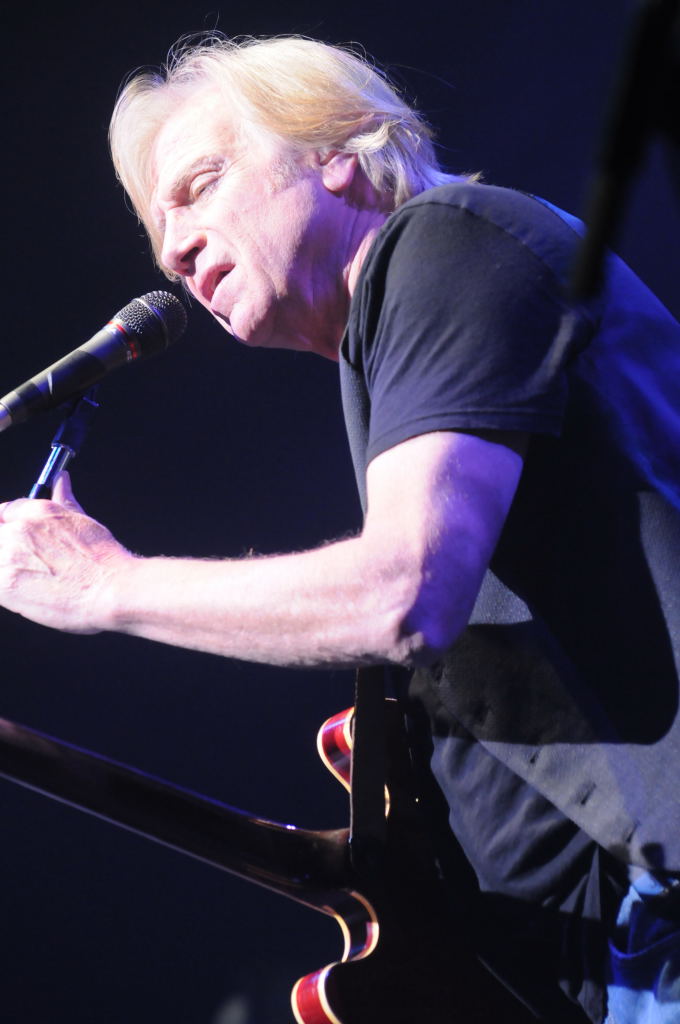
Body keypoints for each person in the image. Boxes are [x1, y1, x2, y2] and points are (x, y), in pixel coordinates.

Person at [1, 33, 679, 1023]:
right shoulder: (402, 353)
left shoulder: (446, 239)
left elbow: (401, 594)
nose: (173, 250)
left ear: (337, 151)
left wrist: (103, 584)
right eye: (158, 232)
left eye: (198, 186)